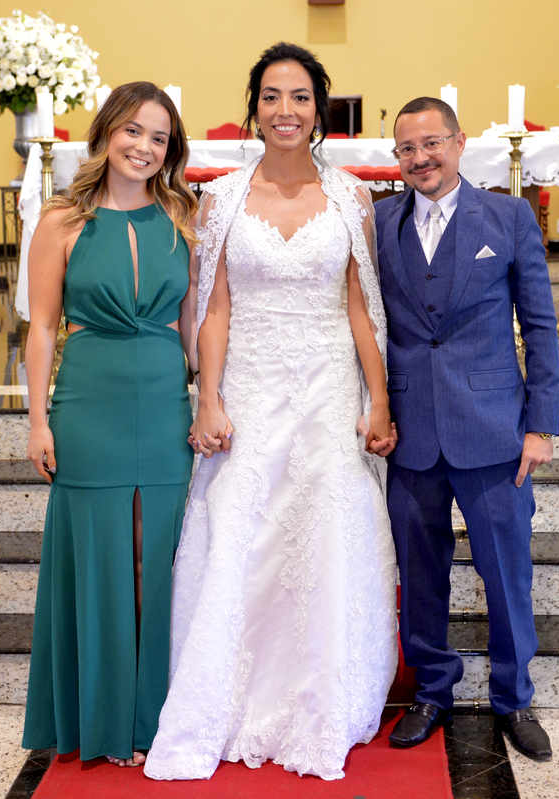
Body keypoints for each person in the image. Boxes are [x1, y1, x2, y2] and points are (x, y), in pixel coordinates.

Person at [143, 43, 398, 782]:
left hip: (328, 389)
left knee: (324, 534)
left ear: (320, 110)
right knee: (241, 532)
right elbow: (215, 308)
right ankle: (230, 694)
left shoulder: (352, 199)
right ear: (254, 109)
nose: (286, 110)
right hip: (250, 388)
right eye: (271, 97)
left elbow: (362, 307)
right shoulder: (221, 198)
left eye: (300, 97)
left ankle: (322, 697)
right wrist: (209, 396)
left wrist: (379, 400)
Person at [375, 97, 559, 761]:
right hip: (410, 434)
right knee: (420, 573)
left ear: (458, 144)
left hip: (493, 431)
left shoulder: (508, 217)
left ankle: (514, 697)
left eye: (432, 143)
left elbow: (539, 323)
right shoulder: (379, 221)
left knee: (506, 572)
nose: (420, 157)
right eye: (407, 148)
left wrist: (541, 426)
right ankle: (432, 691)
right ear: (396, 157)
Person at [22, 82, 198, 768]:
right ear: (105, 134)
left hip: (162, 402)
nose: (143, 147)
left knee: (154, 556)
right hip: (89, 402)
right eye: (132, 131)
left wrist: (210, 396)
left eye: (159, 138)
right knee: (100, 557)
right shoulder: (61, 221)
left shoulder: (183, 216)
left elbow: (193, 322)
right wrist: (37, 421)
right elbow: (42, 327)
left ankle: (151, 716)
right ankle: (102, 720)